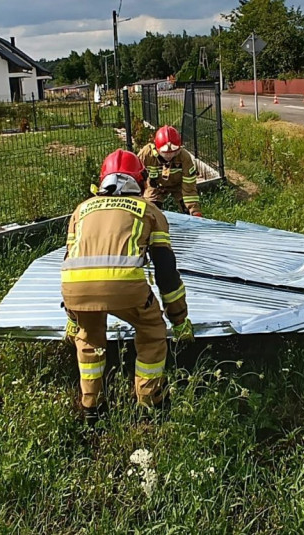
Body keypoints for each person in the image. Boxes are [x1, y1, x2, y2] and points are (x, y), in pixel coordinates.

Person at [61, 149, 194, 424]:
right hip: (127, 288)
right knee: (152, 331)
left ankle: (92, 407)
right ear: (140, 180)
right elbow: (166, 272)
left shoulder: (80, 210)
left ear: (102, 181)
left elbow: (70, 261)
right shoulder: (149, 211)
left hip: (76, 289)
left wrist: (73, 319)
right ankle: (149, 401)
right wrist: (179, 319)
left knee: (88, 337)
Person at [137, 126, 202, 216]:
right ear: (156, 147)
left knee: (188, 212)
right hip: (155, 186)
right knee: (151, 212)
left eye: (174, 152)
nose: (169, 156)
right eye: (165, 153)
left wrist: (194, 210)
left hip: (178, 187)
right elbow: (137, 176)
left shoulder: (184, 157)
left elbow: (189, 186)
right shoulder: (146, 154)